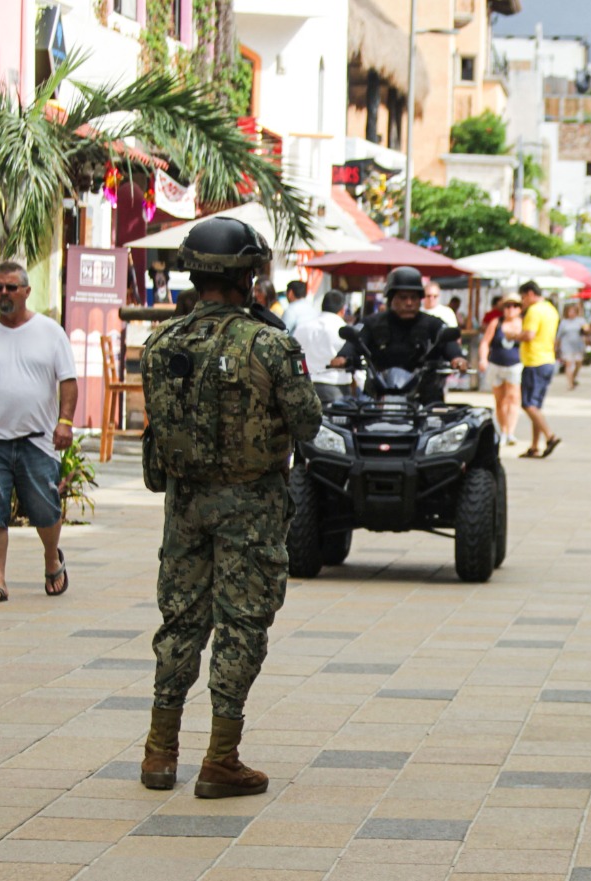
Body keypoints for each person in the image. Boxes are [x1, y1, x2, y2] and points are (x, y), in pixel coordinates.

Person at [139, 217, 322, 798]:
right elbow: (309, 422)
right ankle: (221, 759)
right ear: (248, 276)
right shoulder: (268, 344)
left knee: (180, 623)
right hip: (251, 506)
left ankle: (159, 753)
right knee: (241, 625)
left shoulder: (161, 343)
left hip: (184, 504)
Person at [0, 261, 78, 604]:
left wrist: (65, 422)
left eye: (11, 287)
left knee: (45, 509)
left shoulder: (50, 332)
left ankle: (51, 557)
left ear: (26, 291)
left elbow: (68, 381)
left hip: (38, 440)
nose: (4, 294)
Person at [329, 266, 467, 404]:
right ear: (391, 299)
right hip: (378, 396)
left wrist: (457, 357)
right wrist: (343, 356)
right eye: (403, 297)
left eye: (414, 298)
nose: (409, 303)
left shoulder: (432, 323)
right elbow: (355, 340)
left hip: (423, 398)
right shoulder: (372, 322)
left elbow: (447, 340)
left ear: (420, 300)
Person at [507, 281, 560, 458]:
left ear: (530, 294)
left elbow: (529, 334)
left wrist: (513, 335)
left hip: (534, 361)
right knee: (536, 407)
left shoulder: (535, 310)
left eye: (523, 298)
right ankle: (534, 445)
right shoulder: (551, 309)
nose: (522, 302)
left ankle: (549, 436)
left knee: (528, 404)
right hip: (547, 360)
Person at [477, 290, 523, 444]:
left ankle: (511, 432)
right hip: (496, 364)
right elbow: (485, 341)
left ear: (520, 308)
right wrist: (483, 359)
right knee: (500, 400)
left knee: (513, 398)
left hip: (515, 365)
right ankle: (503, 430)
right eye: (508, 305)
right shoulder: (496, 322)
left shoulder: (524, 323)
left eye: (515, 306)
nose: (511, 309)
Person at [293, 290, 354, 404]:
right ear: (342, 310)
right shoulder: (346, 330)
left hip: (305, 386)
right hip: (336, 386)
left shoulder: (303, 327)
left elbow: (293, 357)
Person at [555, 303, 588, 390]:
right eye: (570, 311)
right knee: (568, 364)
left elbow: (587, 331)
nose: (571, 313)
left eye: (573, 311)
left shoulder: (581, 321)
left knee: (578, 363)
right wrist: (556, 346)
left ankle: (573, 377)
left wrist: (585, 329)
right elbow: (559, 335)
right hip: (567, 346)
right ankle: (570, 383)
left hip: (578, 346)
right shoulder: (564, 322)